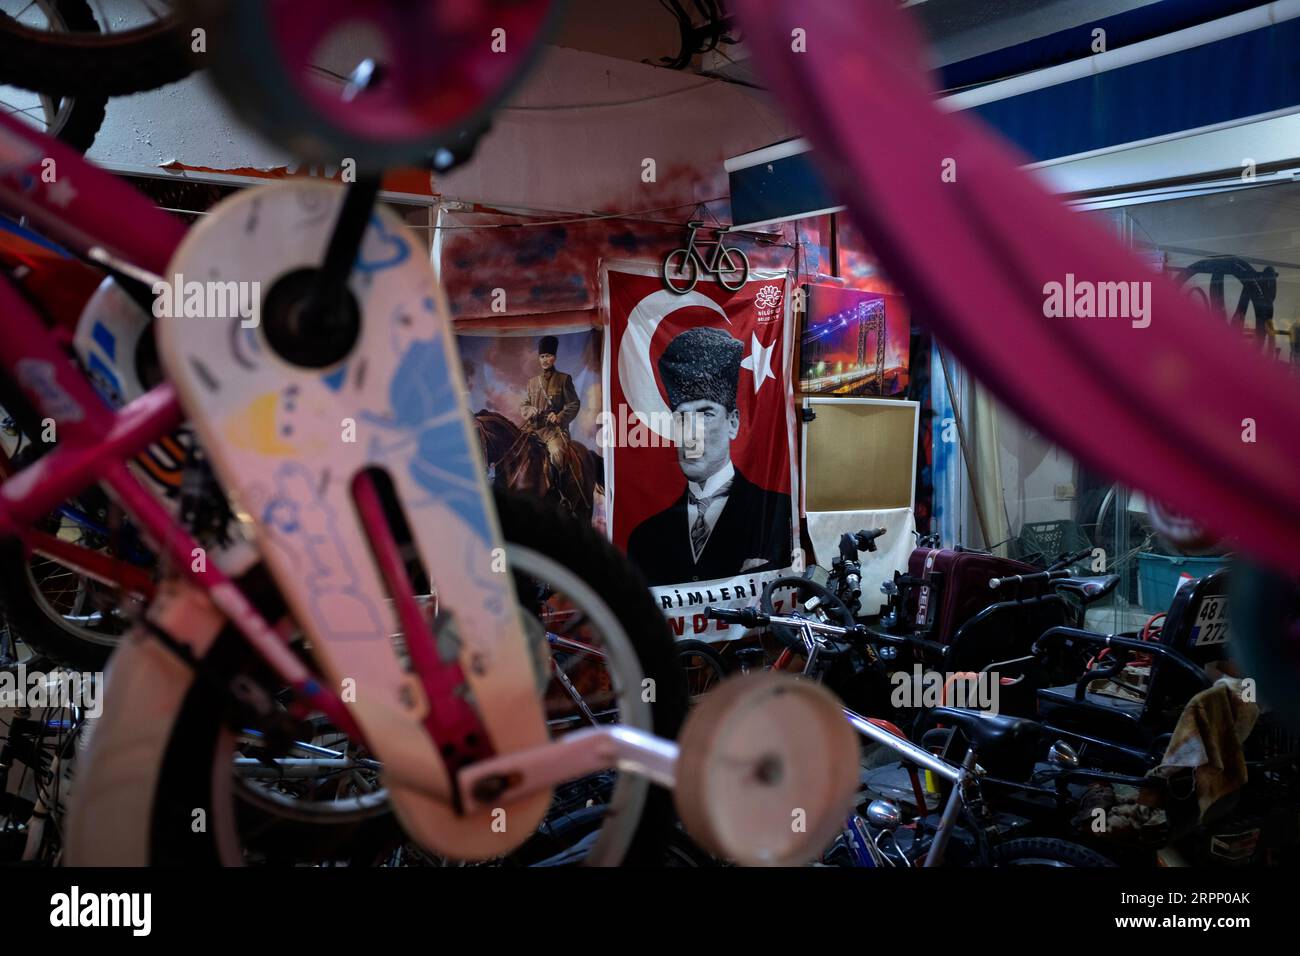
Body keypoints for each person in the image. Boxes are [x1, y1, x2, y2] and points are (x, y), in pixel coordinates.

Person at [626, 326, 792, 585]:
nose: (691, 433)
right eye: (682, 417)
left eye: (705, 413)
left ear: (733, 423)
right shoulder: (645, 539)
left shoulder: (777, 514)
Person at [521, 335, 581, 485]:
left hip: (553, 431)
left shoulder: (564, 379)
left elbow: (574, 403)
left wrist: (559, 416)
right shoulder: (532, 382)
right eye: (542, 356)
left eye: (548, 356)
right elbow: (524, 404)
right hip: (533, 429)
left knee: (557, 453)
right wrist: (529, 409)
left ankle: (560, 489)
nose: (545, 360)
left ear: (554, 357)